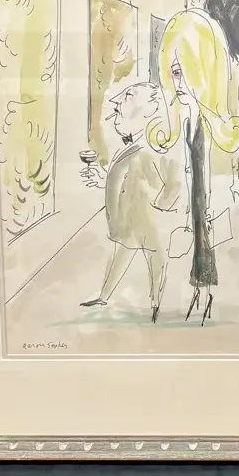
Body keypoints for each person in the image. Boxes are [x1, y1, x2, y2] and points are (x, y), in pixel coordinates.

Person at [148, 0, 239, 324]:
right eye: (173, 71)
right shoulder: (177, 120)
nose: (178, 81)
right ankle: (200, 284)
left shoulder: (216, 113)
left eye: (185, 71)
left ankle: (204, 284)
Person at [78, 82, 182, 322]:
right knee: (121, 255)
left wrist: (161, 204)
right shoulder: (133, 146)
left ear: (149, 109)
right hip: (128, 218)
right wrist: (101, 178)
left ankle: (156, 303)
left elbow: (174, 183)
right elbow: (123, 176)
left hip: (146, 218)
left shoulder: (154, 149)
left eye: (129, 97)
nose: (117, 106)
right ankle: (104, 296)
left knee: (156, 258)